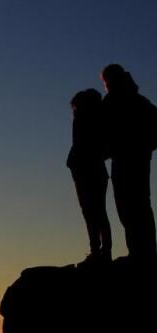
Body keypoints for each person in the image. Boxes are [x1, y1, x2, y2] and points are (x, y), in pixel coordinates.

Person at [101, 64, 157, 263]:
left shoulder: (118, 102)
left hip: (129, 159)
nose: (105, 86)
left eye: (105, 82)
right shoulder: (138, 101)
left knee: (131, 205)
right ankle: (142, 252)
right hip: (134, 158)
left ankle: (143, 254)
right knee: (136, 205)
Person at [67, 88, 112, 266]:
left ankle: (100, 252)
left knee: (94, 212)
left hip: (88, 170)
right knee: (95, 212)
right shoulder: (98, 120)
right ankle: (100, 251)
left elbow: (82, 146)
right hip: (89, 170)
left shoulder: (86, 120)